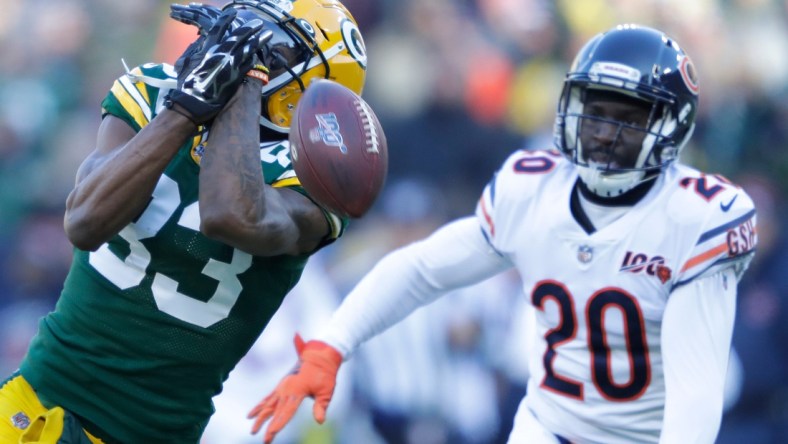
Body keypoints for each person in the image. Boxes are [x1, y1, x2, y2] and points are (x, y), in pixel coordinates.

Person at [251, 24, 759, 444]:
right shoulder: (533, 188)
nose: (604, 131)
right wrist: (333, 344)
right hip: (547, 428)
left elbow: (697, 386)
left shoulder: (696, 218)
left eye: (627, 118)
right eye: (596, 110)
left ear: (673, 128)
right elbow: (425, 268)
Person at [0, 0, 368, 442]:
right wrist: (183, 111)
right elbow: (84, 222)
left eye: (265, 45)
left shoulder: (317, 172)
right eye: (237, 30)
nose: (230, 46)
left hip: (149, 433)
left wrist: (246, 82)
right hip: (39, 400)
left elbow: (230, 215)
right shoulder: (156, 91)